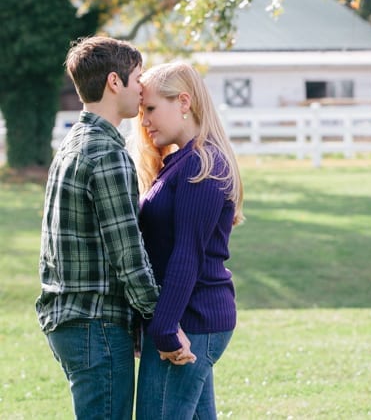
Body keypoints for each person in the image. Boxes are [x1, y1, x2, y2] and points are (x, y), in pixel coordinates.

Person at [36, 35, 193, 420]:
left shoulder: (74, 142)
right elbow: (127, 252)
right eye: (137, 77)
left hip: (69, 320)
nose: (142, 87)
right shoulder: (107, 153)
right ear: (114, 82)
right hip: (96, 323)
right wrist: (162, 324)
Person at [131, 61, 244, 420]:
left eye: (150, 109)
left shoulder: (202, 165)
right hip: (187, 317)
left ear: (183, 102)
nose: (144, 121)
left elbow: (186, 256)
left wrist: (164, 329)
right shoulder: (181, 162)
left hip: (191, 320)